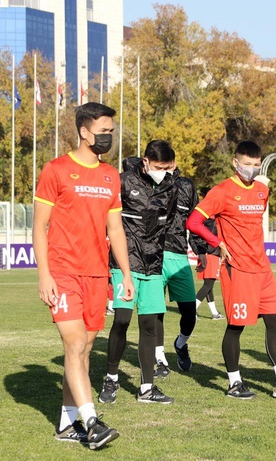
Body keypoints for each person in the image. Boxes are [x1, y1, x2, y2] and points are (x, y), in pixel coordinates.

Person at [33, 102, 133, 449]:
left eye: (111, 131)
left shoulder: (110, 176)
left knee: (85, 348)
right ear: (84, 132)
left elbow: (115, 228)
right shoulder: (56, 170)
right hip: (62, 273)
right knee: (74, 344)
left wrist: (125, 274)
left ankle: (65, 424)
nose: (109, 137)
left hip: (96, 275)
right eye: (103, 131)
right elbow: (39, 227)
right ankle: (92, 421)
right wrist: (44, 274)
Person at [186, 140, 276, 399]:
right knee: (236, 326)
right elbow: (194, 221)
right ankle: (234, 383)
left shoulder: (261, 190)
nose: (252, 169)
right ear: (236, 163)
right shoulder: (222, 191)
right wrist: (217, 243)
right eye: (247, 164)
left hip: (262, 267)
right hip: (238, 269)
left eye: (256, 165)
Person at [99, 140, 178, 405]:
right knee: (121, 319)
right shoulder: (122, 182)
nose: (164, 171)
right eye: (159, 167)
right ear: (145, 162)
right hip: (125, 263)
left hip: (154, 264)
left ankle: (146, 387)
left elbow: (165, 226)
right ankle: (111, 377)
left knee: (149, 324)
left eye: (168, 167)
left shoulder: (172, 186)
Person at [155, 170, 199, 379]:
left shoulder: (187, 186)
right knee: (156, 311)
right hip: (153, 255)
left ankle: (181, 344)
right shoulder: (149, 182)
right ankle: (160, 358)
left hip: (180, 256)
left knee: (190, 313)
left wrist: (200, 250)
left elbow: (197, 219)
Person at [189, 217, 225, 320]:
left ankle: (214, 313)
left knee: (209, 286)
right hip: (211, 255)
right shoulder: (213, 221)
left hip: (204, 254)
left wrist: (199, 252)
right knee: (208, 285)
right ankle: (192, 310)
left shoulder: (200, 220)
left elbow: (192, 238)